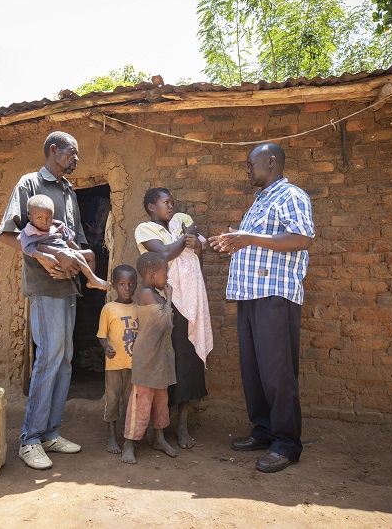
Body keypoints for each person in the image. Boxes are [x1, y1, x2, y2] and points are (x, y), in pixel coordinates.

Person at [208, 142, 314, 474]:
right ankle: (264, 430)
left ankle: (286, 443)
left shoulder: (291, 196)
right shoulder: (260, 201)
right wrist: (234, 241)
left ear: (271, 162)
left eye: (251, 164)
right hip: (250, 294)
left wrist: (249, 239)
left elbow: (302, 238)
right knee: (254, 370)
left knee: (277, 372)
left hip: (275, 295)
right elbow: (253, 242)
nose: (248, 170)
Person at [0, 131, 85, 470]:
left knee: (65, 359)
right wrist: (44, 259)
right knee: (49, 355)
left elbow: (73, 240)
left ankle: (50, 433)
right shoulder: (29, 184)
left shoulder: (69, 192)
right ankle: (30, 440)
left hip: (68, 287)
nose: (76, 159)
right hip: (44, 286)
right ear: (53, 150)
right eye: (71, 153)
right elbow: (6, 235)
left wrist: (77, 263)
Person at [134, 188, 213, 449]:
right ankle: (157, 427)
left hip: (188, 303)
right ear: (150, 207)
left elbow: (196, 260)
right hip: (162, 304)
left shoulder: (180, 226)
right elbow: (163, 255)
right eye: (164, 202)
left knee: (186, 362)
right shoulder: (145, 230)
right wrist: (187, 237)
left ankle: (182, 426)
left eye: (172, 202)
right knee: (163, 363)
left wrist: (197, 244)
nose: (170, 206)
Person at [122, 252, 179, 464]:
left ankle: (159, 438)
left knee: (160, 399)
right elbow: (165, 321)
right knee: (141, 401)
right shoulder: (146, 293)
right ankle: (129, 443)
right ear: (152, 274)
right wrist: (170, 296)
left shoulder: (154, 292)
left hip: (160, 356)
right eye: (165, 273)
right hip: (146, 357)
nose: (168, 277)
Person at [20, 194, 110, 290]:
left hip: (67, 255)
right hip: (52, 261)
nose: (44, 222)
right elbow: (27, 248)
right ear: (30, 218)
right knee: (78, 257)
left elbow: (69, 242)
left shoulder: (57, 226)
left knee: (90, 254)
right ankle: (93, 279)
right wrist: (44, 256)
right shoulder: (30, 232)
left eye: (48, 218)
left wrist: (77, 251)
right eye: (39, 218)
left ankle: (90, 281)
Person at [97, 264, 138, 453]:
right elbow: (101, 334)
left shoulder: (138, 308)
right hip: (114, 365)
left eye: (131, 284)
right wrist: (106, 347)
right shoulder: (109, 308)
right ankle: (111, 435)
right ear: (114, 285)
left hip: (134, 365)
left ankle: (129, 435)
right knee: (113, 400)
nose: (127, 288)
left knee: (131, 400)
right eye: (122, 284)